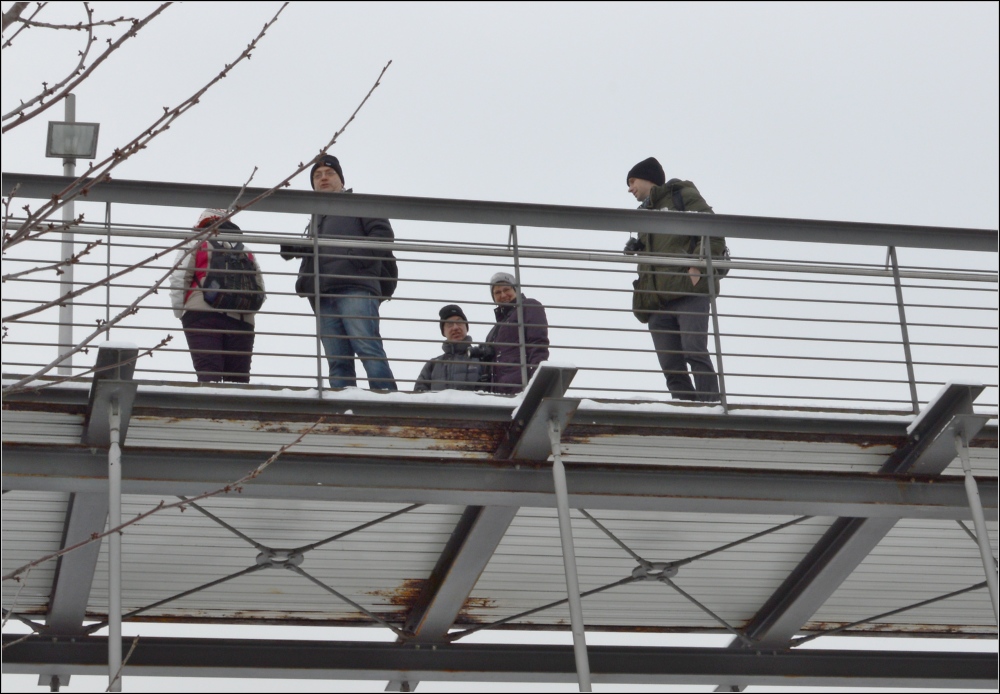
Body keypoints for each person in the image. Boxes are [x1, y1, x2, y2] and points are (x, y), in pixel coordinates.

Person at [280, 154, 397, 390]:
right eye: (317, 175)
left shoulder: (361, 203)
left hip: (356, 286)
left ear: (341, 179)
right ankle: (343, 409)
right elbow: (322, 248)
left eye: (329, 173)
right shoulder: (316, 217)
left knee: (368, 348)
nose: (323, 178)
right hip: (323, 294)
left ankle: (387, 403)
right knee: (337, 361)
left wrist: (354, 258)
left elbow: (383, 236)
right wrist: (297, 247)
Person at [625, 156, 725, 402]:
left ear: (647, 177)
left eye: (632, 181)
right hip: (656, 302)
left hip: (688, 293)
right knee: (670, 365)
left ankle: (710, 408)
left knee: (695, 352)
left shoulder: (681, 194)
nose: (629, 189)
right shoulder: (643, 215)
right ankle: (687, 412)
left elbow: (713, 230)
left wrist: (696, 269)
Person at [169, 209, 265, 383]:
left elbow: (180, 278)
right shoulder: (244, 249)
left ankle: (210, 409)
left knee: (208, 374)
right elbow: (259, 289)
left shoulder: (196, 242)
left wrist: (180, 312)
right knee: (238, 380)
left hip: (202, 315)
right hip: (242, 319)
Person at [483, 272, 549, 394]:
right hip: (497, 392)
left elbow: (537, 344)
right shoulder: (494, 331)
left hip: (521, 387)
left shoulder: (528, 306)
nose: (503, 295)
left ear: (516, 290)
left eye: (506, 289)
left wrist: (536, 381)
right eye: (497, 292)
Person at [414, 304, 490, 392]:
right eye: (449, 324)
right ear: (443, 332)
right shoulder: (433, 365)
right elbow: (419, 394)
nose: (455, 327)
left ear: (466, 327)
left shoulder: (481, 358)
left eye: (459, 322)